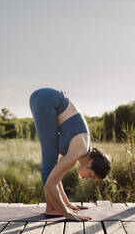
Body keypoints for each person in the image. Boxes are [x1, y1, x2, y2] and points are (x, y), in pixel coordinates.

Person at [29, 87, 111, 221]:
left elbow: (55, 177)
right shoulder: (79, 151)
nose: (87, 179)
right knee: (49, 157)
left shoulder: (81, 150)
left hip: (45, 97)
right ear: (90, 163)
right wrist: (66, 213)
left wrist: (67, 204)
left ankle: (54, 208)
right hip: (48, 100)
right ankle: (52, 208)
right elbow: (51, 183)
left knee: (51, 160)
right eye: (92, 176)